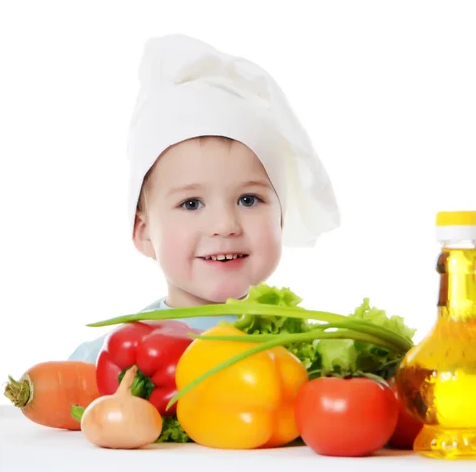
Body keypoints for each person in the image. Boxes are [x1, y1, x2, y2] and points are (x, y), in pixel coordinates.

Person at [68, 34, 340, 363]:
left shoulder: (304, 352)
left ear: (282, 215)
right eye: (192, 204)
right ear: (143, 231)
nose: (225, 225)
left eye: (249, 199)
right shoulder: (106, 360)